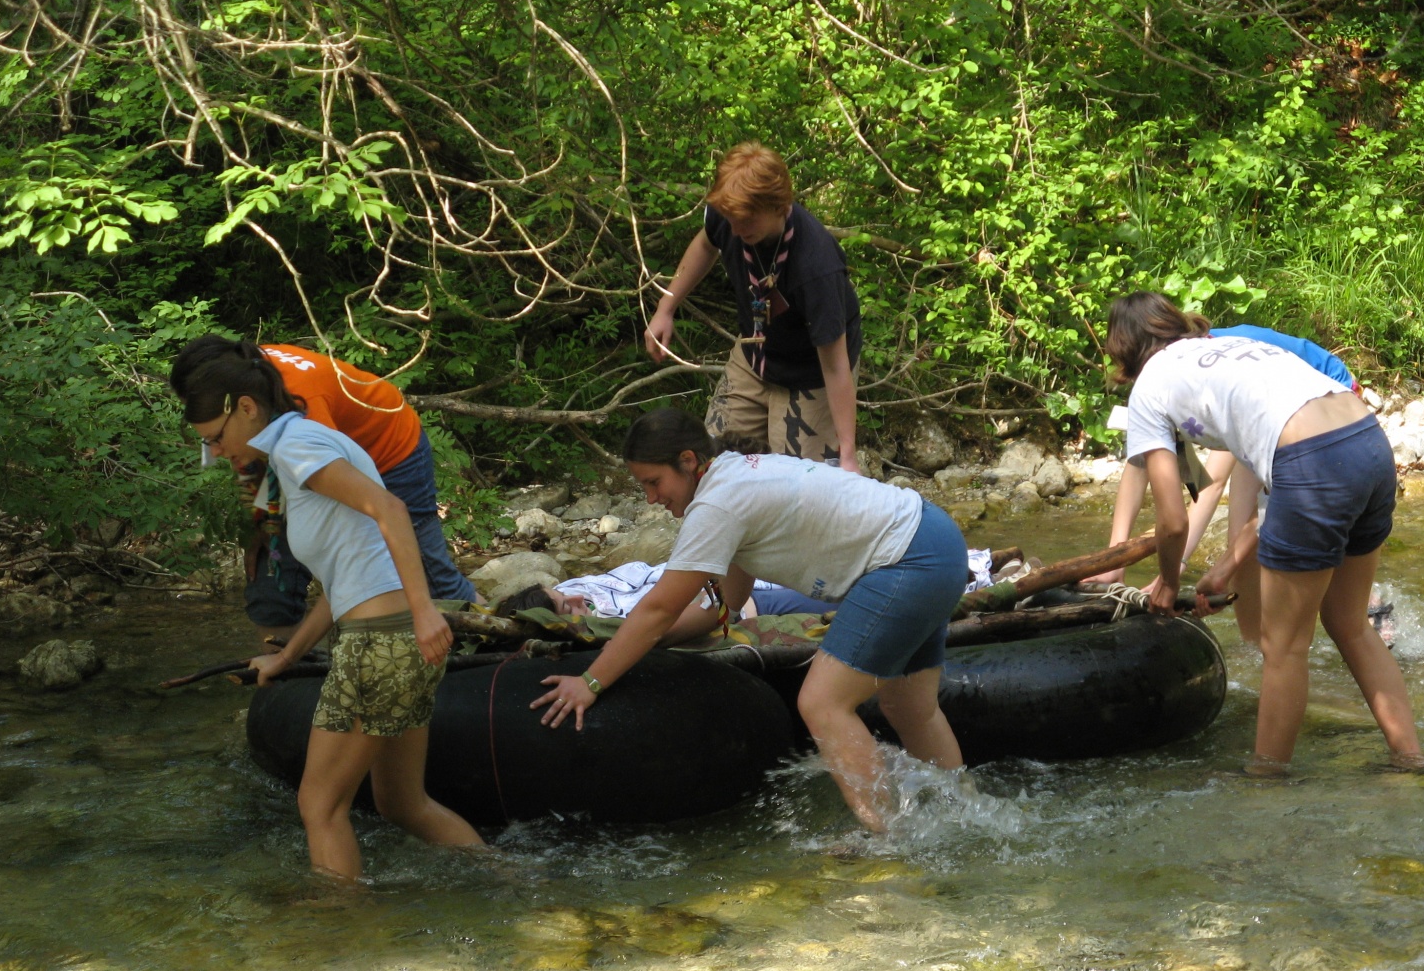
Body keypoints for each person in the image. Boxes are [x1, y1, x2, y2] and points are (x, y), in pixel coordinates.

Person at [528, 409, 970, 831]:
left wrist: (589, 682)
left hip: (907, 562)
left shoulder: (717, 504)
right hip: (938, 540)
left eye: (654, 482)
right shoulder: (736, 474)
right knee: (908, 706)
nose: (651, 497)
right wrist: (655, 644)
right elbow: (728, 604)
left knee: (821, 703)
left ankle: (885, 840)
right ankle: (964, 815)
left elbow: (658, 608)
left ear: (688, 461)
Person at [180, 341, 484, 880]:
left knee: (318, 808)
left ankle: (342, 938)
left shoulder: (298, 447)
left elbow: (390, 509)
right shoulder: (305, 444)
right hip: (394, 644)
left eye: (216, 439)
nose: (218, 453)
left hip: (381, 644)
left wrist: (425, 613)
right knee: (402, 806)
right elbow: (343, 583)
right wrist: (288, 656)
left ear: (246, 408)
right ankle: (510, 882)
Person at [1103, 292, 1424, 775]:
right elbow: (1284, 495)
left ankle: (1267, 777)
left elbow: (1172, 519)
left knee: (1283, 646)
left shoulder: (1150, 386)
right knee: (1350, 624)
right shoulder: (1229, 349)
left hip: (1312, 460)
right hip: (1368, 443)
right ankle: (1412, 759)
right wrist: (1228, 567)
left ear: (1124, 354)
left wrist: (1168, 583)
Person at [171, 335, 476, 631]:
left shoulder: (300, 408)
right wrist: (263, 524)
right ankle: (284, 666)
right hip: (326, 459)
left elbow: (344, 495)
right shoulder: (236, 384)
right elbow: (243, 455)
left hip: (392, 450)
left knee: (429, 575)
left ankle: (490, 633)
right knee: (273, 576)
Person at [1090, 323, 1366, 645]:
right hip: (1273, 411)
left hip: (1327, 398)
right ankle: (1256, 647)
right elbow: (1139, 467)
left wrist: (1175, 570)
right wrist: (1115, 559)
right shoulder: (1173, 371)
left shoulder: (1209, 371)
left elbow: (1212, 483)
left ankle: (1359, 609)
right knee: (1238, 545)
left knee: (1248, 541)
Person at [644, 143, 861, 471]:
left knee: (799, 485)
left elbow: (835, 366)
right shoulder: (729, 213)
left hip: (811, 372)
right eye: (730, 219)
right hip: (755, 350)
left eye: (745, 221)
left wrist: (847, 454)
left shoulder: (817, 266)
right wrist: (666, 307)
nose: (734, 230)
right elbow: (706, 244)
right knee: (714, 463)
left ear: (778, 206)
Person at [499, 548, 1000, 621]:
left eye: (564, 596)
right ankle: (971, 585)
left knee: (832, 563)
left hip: (718, 575)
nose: (575, 601)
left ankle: (980, 563)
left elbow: (640, 569)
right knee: (842, 590)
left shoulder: (582, 585)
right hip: (732, 602)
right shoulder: (597, 628)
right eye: (566, 607)